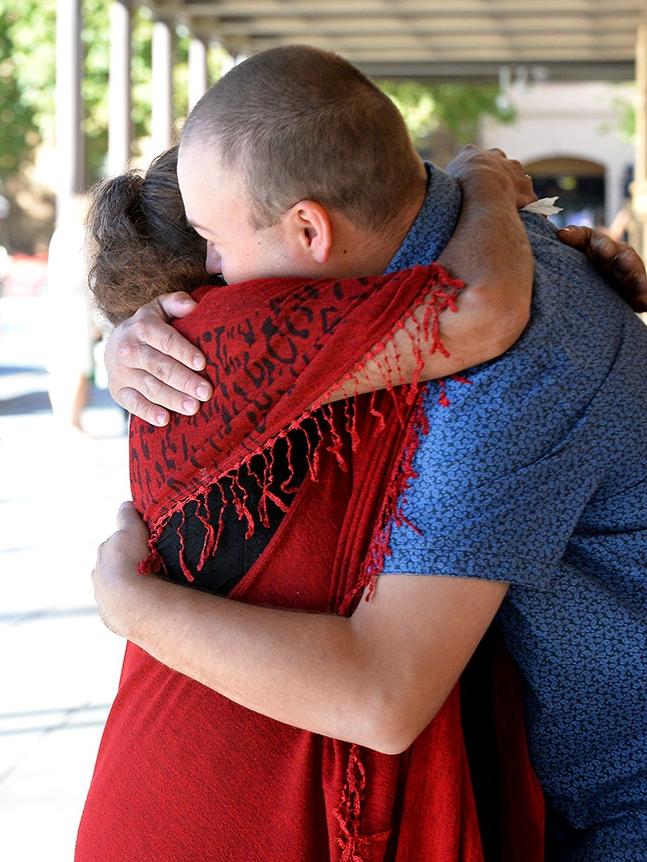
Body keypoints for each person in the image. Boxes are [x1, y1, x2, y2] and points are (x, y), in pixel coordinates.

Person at [89, 47, 646, 861]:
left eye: (214, 242)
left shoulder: (501, 360)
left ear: (310, 229)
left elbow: (384, 696)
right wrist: (127, 334)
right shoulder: (450, 239)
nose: (212, 277)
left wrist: (127, 604)